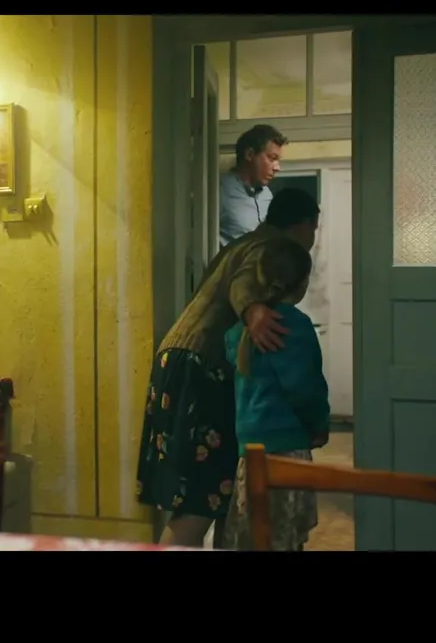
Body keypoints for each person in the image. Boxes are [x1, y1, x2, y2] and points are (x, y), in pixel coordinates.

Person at [136, 187, 319, 548]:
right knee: (201, 500)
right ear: (304, 225)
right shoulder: (273, 248)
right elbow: (243, 283)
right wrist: (253, 310)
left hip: (178, 360)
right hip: (204, 368)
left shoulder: (243, 243)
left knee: (213, 495)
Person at [219, 235, 330, 551]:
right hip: (287, 450)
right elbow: (304, 387)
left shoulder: (239, 331)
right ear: (302, 283)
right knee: (284, 535)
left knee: (256, 534)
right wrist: (319, 424)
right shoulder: (293, 326)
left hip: (249, 450)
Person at [219, 124, 288, 248]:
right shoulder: (220, 191)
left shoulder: (267, 194)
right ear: (250, 155)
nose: (277, 167)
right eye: (272, 158)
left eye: (278, 160)